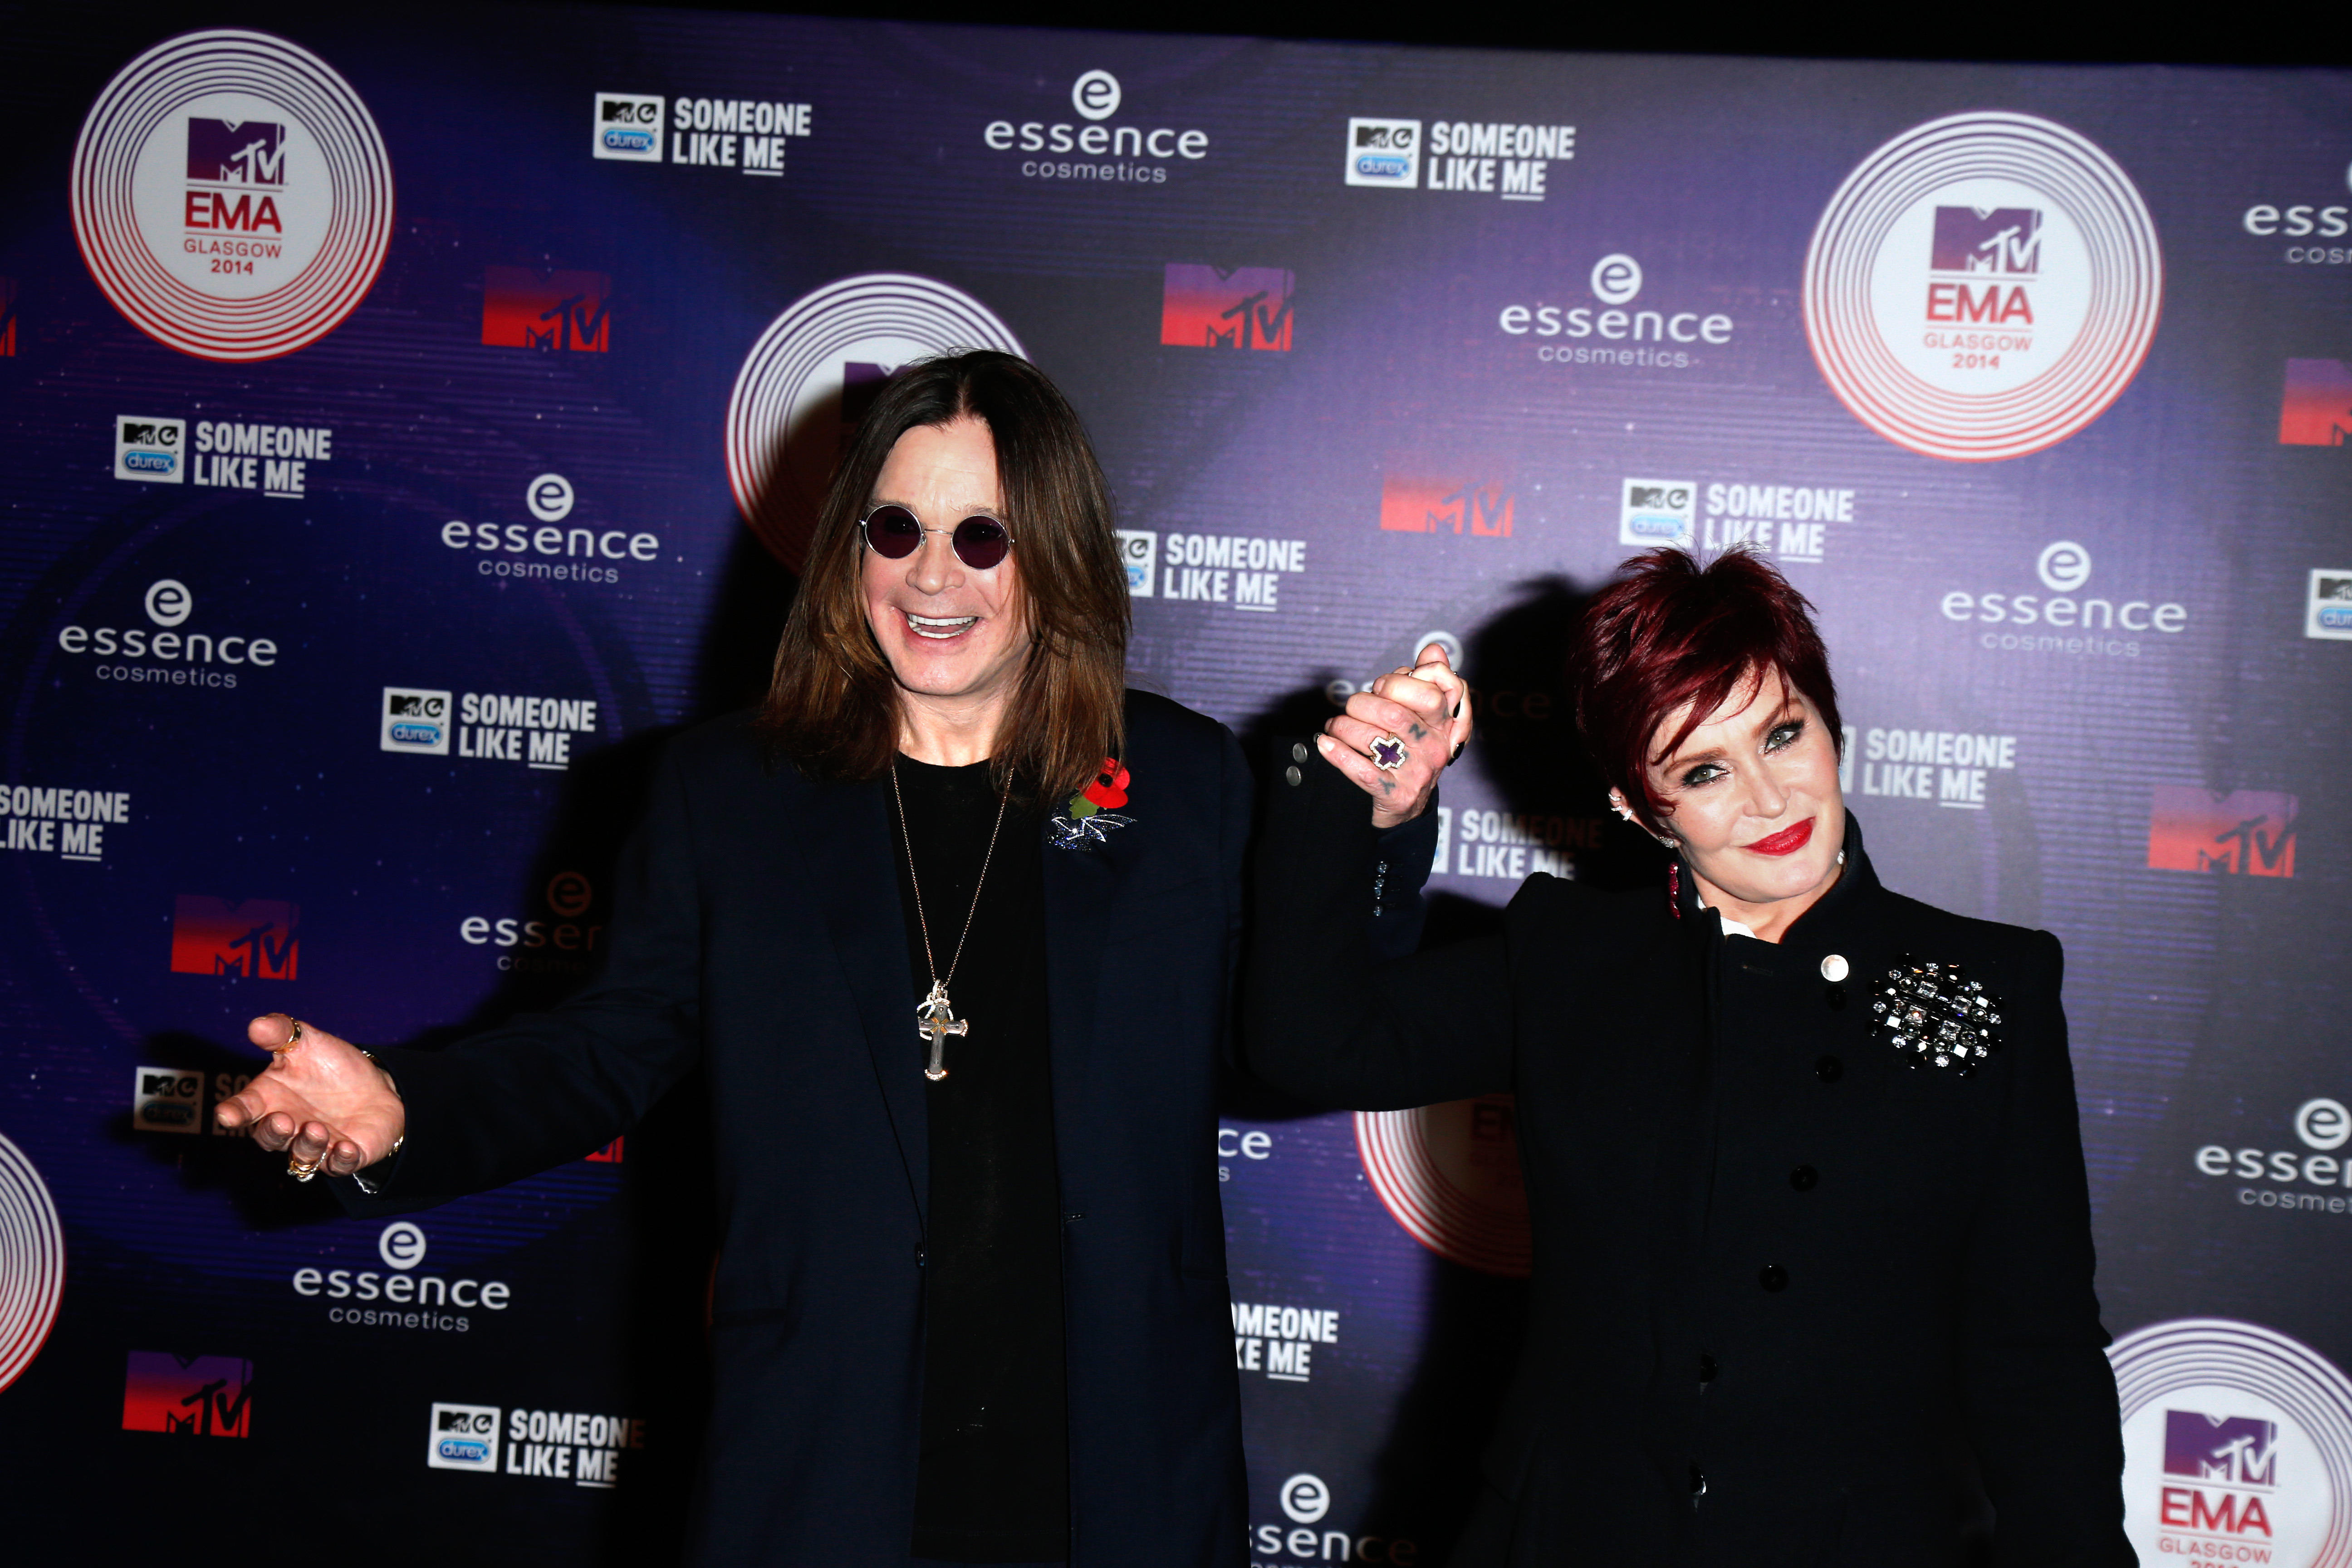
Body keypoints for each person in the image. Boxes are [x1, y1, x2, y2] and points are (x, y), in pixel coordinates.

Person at [215, 351, 1406, 1568]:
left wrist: (1372, 839)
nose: (933, 575)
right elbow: (600, 1053)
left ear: (1058, 552)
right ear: (852, 550)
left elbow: (1297, 1041)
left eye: (984, 535)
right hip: (825, 1469)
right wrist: (406, 1110)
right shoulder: (727, 795)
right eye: (897, 529)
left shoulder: (1186, 785)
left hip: (1118, 1478)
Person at [1245, 548, 2132, 1566]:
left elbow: (2038, 1349)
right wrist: (1352, 805)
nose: (1768, 797)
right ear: (1637, 805)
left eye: (1782, 735)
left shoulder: (1994, 983)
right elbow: (1309, 1048)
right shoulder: (1570, 958)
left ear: (1832, 729)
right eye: (1704, 770)